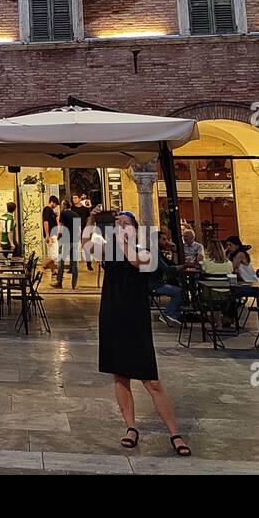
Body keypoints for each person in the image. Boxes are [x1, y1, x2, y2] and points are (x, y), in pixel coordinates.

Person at [99, 211, 190, 457]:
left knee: (151, 381)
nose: (120, 226)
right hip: (112, 316)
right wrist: (90, 222)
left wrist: (123, 240)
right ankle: (131, 427)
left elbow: (135, 263)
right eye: (118, 223)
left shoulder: (145, 252)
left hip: (135, 320)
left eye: (126, 223)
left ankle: (174, 433)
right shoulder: (109, 252)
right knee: (120, 375)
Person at [151, 231, 185, 326]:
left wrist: (174, 251)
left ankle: (173, 316)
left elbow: (172, 264)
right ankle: (168, 314)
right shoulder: (154, 253)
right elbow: (167, 269)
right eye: (164, 239)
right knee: (180, 292)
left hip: (158, 282)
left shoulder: (158, 252)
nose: (166, 242)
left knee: (181, 290)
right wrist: (185, 266)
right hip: (154, 284)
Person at [53, 195, 82, 289]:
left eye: (61, 205)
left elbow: (61, 227)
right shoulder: (76, 214)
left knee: (61, 261)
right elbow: (78, 229)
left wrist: (58, 236)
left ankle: (59, 282)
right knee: (74, 263)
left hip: (65, 240)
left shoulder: (63, 214)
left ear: (64, 206)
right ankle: (74, 284)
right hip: (75, 241)